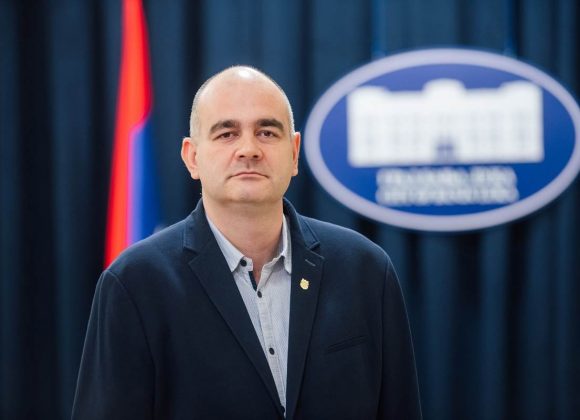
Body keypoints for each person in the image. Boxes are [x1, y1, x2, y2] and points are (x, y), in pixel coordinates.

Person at [71, 66, 422, 419]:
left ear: (294, 152)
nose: (249, 149)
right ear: (192, 157)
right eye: (227, 134)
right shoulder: (135, 284)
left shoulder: (366, 270)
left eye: (266, 132)